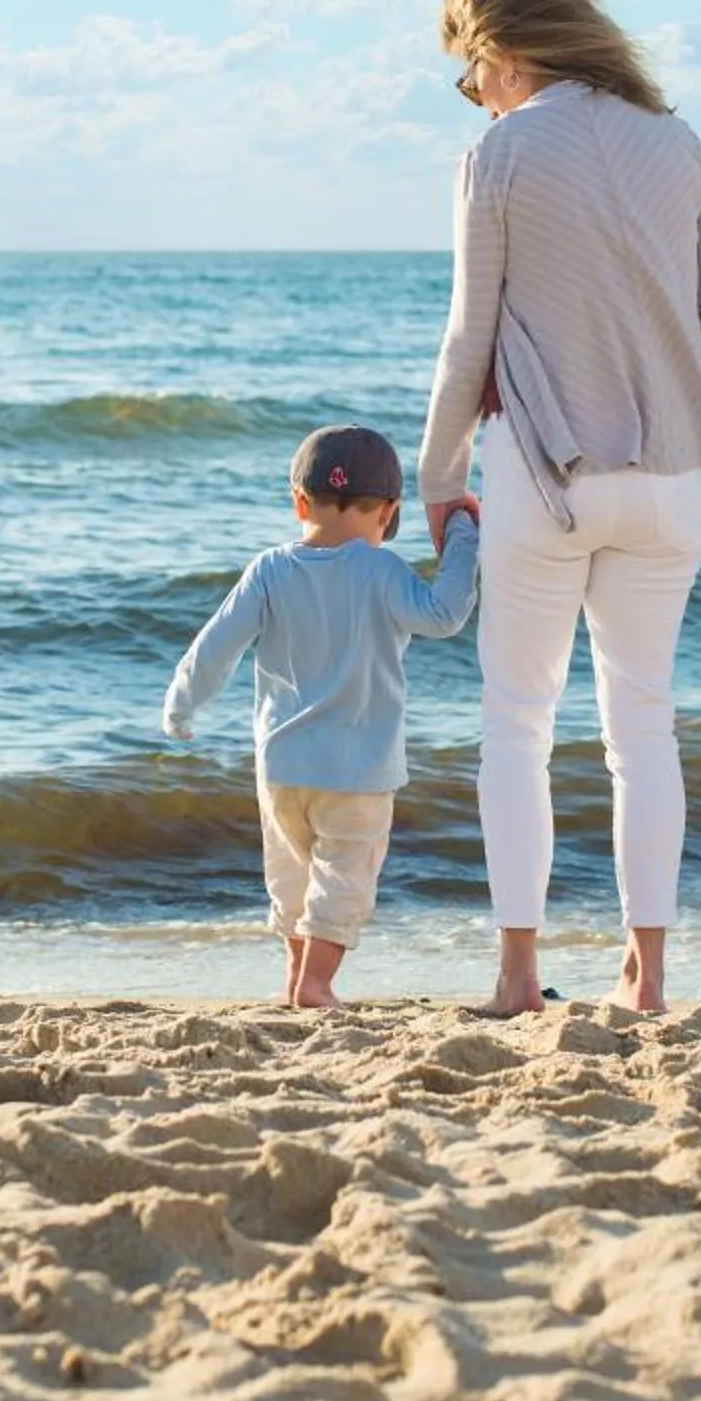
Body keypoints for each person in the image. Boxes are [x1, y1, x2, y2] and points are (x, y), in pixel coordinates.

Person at [417, 0, 701, 1019]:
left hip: (541, 470)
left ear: (502, 53)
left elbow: (470, 333)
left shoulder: (499, 154)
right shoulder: (678, 140)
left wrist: (437, 477)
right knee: (641, 725)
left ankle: (518, 977)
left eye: (471, 74)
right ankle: (647, 983)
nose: (477, 94)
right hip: (669, 478)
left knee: (517, 721)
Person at [163, 425, 481, 1009]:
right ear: (388, 513)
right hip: (359, 768)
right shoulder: (383, 571)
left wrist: (182, 705)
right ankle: (317, 984)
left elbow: (215, 648)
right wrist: (463, 533)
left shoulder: (269, 570)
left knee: (291, 877)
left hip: (281, 765)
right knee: (343, 879)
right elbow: (444, 614)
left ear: (299, 502)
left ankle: (296, 979)